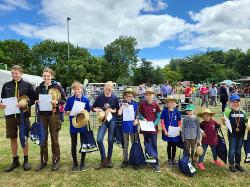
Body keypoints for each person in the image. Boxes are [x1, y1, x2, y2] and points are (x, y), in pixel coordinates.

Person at [0, 65, 35, 172]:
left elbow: (33, 99)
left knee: (24, 137)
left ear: (21, 73)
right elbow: (3, 99)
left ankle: (26, 160)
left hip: (23, 116)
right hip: (10, 116)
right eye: (13, 73)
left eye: (16, 73)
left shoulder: (28, 85)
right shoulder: (6, 85)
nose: (14, 75)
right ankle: (15, 160)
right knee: (13, 138)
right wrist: (1, 104)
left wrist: (26, 103)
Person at [35, 68, 66, 171]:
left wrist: (57, 102)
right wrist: (37, 101)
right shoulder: (39, 87)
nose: (46, 77)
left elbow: (64, 99)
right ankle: (43, 161)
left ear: (52, 76)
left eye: (48, 76)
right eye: (44, 76)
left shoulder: (57, 86)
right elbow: (35, 99)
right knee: (43, 139)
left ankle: (56, 161)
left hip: (54, 115)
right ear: (42, 76)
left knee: (54, 139)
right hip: (42, 115)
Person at [92, 81, 119, 169]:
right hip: (102, 120)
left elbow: (117, 110)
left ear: (112, 89)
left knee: (110, 139)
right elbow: (92, 107)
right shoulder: (100, 97)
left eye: (110, 89)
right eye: (107, 89)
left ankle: (109, 159)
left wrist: (111, 110)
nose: (108, 91)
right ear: (104, 88)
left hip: (112, 120)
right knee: (99, 139)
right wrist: (97, 110)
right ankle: (103, 160)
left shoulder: (114, 98)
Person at [64, 81, 90, 171]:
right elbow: (66, 111)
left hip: (83, 124)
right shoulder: (70, 99)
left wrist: (83, 112)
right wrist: (72, 112)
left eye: (78, 89)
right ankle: (75, 164)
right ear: (73, 90)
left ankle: (82, 163)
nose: (77, 90)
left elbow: (88, 111)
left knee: (83, 144)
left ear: (81, 89)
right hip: (73, 125)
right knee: (73, 144)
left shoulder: (86, 99)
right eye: (75, 89)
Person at [222, 95, 248, 173]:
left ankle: (238, 164)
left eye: (237, 102)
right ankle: (231, 165)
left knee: (238, 150)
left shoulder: (243, 112)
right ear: (230, 102)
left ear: (240, 102)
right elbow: (225, 122)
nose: (236, 103)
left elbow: (246, 122)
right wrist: (223, 121)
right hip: (232, 134)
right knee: (232, 150)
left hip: (241, 134)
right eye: (234, 102)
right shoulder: (228, 111)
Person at [139, 87, 161, 172]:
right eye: (147, 95)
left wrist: (154, 124)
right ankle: (148, 159)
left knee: (154, 144)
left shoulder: (156, 105)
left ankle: (156, 163)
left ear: (153, 95)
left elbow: (158, 116)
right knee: (146, 143)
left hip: (153, 129)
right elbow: (140, 114)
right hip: (145, 128)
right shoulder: (142, 104)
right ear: (145, 96)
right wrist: (143, 118)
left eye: (150, 95)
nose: (149, 96)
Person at [118, 87, 139, 169]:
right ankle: (125, 160)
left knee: (134, 143)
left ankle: (134, 160)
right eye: (127, 96)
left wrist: (137, 119)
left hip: (133, 126)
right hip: (125, 126)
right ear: (124, 97)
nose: (128, 97)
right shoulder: (122, 104)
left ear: (132, 96)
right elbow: (119, 113)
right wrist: (122, 107)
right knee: (126, 144)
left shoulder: (135, 104)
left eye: (130, 96)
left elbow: (137, 114)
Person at [161, 96, 181, 166]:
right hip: (167, 132)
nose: (170, 104)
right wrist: (164, 130)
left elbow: (179, 122)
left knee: (174, 145)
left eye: (172, 102)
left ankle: (173, 158)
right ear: (166, 103)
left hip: (175, 131)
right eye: (168, 102)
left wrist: (178, 129)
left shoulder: (177, 111)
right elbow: (162, 122)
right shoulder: (164, 111)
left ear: (175, 103)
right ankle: (169, 159)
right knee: (169, 145)